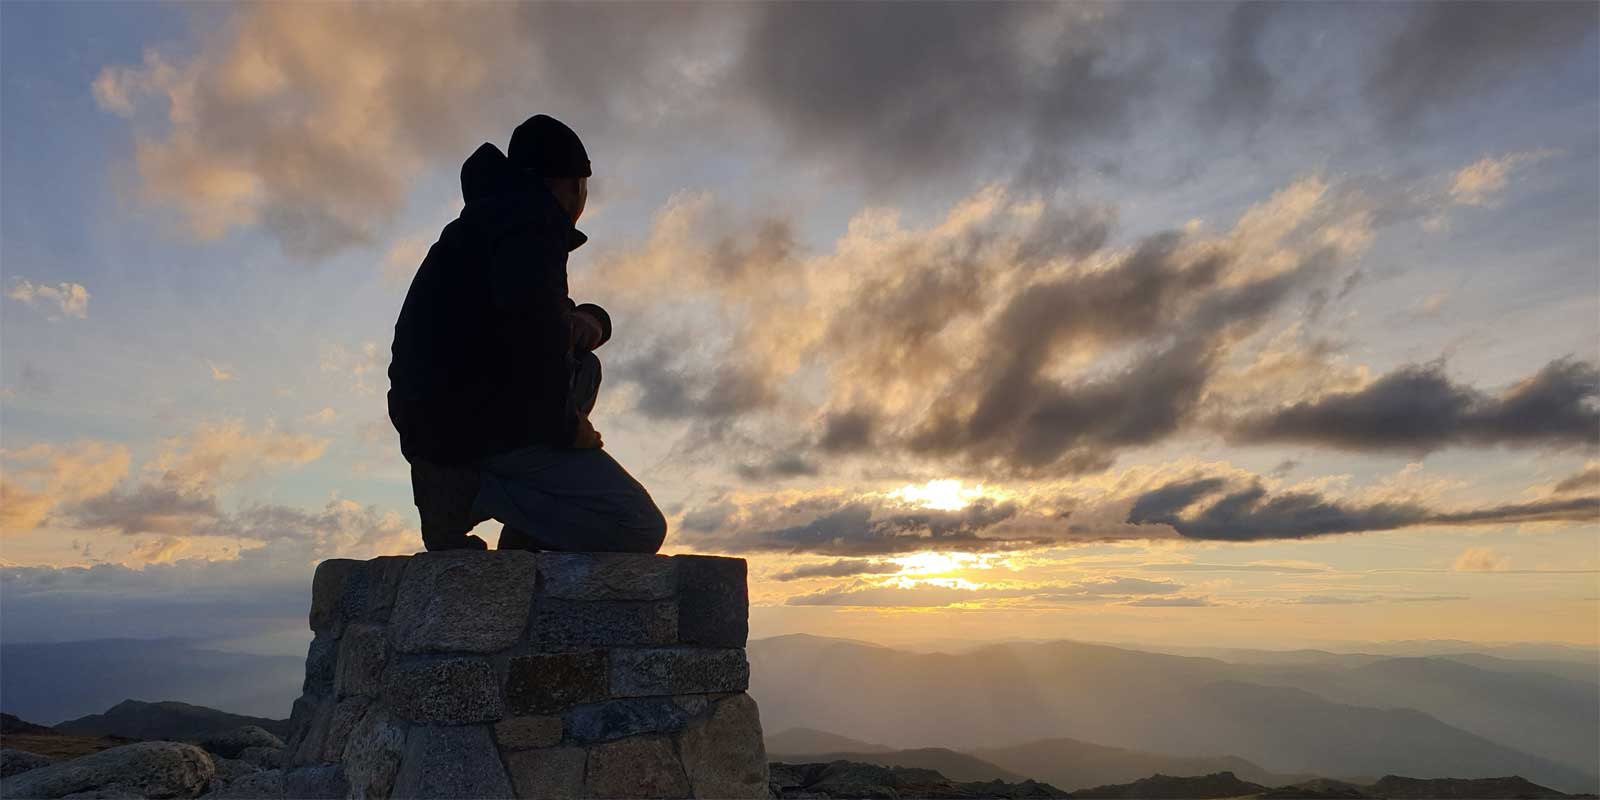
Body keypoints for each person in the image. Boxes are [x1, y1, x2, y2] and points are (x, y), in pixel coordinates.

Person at [387, 114, 667, 553]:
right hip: (471, 429)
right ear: (573, 185)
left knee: (585, 366)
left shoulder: (490, 224)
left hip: (441, 418)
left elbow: (531, 317)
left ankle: (519, 529)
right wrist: (567, 429)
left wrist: (589, 319)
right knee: (637, 527)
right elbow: (534, 344)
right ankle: (472, 492)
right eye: (583, 187)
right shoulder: (531, 230)